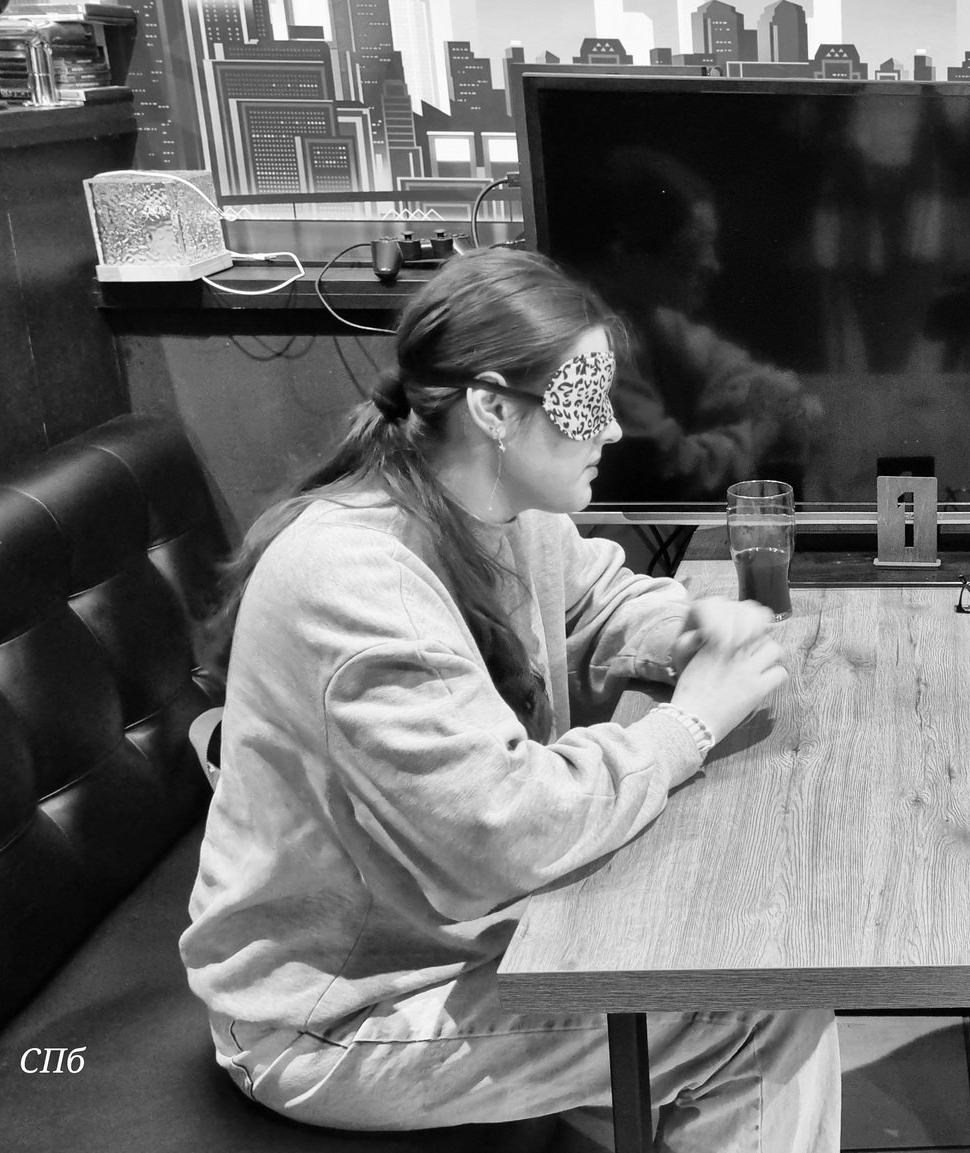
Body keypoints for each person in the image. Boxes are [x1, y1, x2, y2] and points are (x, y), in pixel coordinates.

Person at [181, 250, 840, 1153]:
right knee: (759, 1011)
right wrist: (690, 722)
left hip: (445, 937)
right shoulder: (356, 581)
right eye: (586, 401)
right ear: (492, 408)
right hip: (336, 1012)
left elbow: (602, 599)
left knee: (745, 971)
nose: (613, 427)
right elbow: (502, 834)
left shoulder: (498, 510)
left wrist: (694, 626)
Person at [559, 147, 820, 502]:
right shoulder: (587, 340)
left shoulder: (640, 308)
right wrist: (765, 426)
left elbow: (724, 364)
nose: (712, 265)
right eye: (692, 250)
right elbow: (670, 473)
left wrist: (771, 393)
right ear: (626, 253)